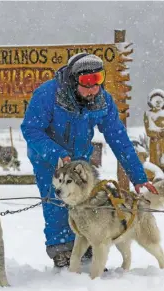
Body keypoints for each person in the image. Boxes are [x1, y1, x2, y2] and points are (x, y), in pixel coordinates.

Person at [21, 53, 158, 268]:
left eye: (98, 79)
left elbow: (118, 138)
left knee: (90, 203)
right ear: (74, 80)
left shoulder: (102, 100)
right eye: (87, 82)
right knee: (58, 202)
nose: (93, 88)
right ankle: (61, 251)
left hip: (80, 160)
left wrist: (138, 176)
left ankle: (87, 246)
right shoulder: (48, 95)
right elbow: (31, 129)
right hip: (48, 159)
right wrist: (57, 154)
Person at [144, 89, 164, 171]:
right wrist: (160, 133)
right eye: (156, 101)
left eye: (160, 101)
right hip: (154, 143)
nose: (158, 103)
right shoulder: (148, 114)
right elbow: (149, 131)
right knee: (155, 162)